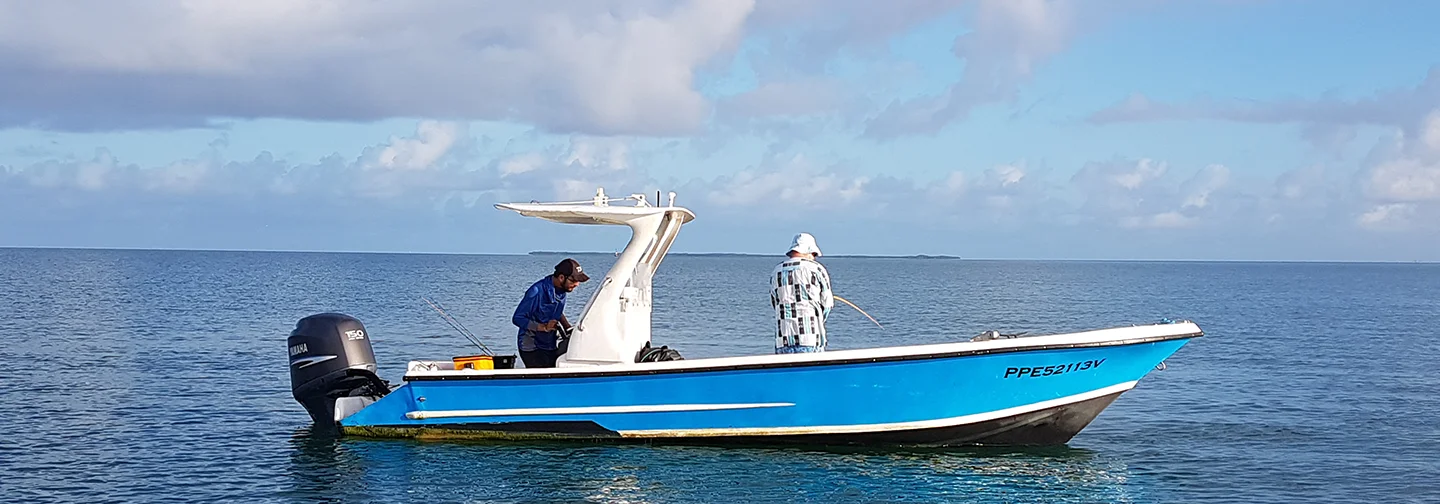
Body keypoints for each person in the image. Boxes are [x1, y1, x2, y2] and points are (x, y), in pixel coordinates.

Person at [512, 258, 590, 368]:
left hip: (550, 343)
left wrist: (567, 327)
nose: (577, 284)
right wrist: (542, 327)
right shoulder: (536, 291)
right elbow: (517, 318)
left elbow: (555, 310)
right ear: (561, 277)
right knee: (540, 380)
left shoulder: (562, 290)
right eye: (573, 281)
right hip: (531, 347)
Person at [770, 232, 834, 354]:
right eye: (814, 254)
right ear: (809, 251)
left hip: (783, 339)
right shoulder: (816, 269)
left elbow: (775, 303)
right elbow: (827, 305)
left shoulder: (776, 271)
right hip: (810, 337)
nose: (814, 257)